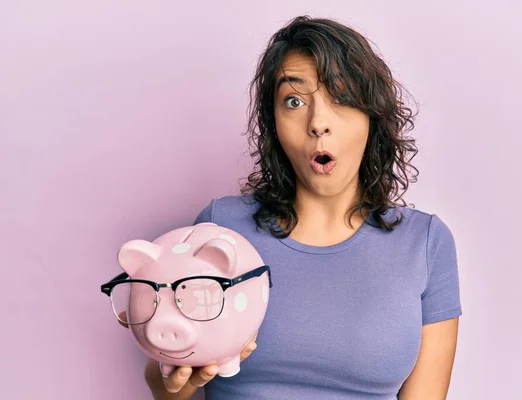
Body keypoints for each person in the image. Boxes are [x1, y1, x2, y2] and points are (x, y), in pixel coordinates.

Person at [125, 15, 462, 400]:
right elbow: (171, 383)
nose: (318, 122)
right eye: (294, 101)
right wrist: (174, 382)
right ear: (273, 122)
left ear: (373, 116)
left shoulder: (426, 243)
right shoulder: (222, 228)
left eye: (342, 98)